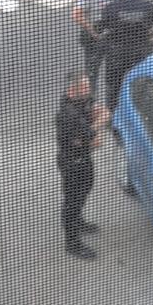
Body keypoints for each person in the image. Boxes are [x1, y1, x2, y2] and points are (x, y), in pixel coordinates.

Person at [56, 69, 109, 260]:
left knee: (84, 191)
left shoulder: (82, 100)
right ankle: (72, 242)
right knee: (72, 200)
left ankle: (77, 220)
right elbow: (94, 140)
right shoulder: (69, 114)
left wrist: (95, 121)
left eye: (88, 86)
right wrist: (99, 123)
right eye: (84, 87)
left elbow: (98, 111)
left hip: (84, 159)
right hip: (72, 164)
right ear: (73, 89)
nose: (89, 90)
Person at [98, 0, 153, 113]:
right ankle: (142, 112)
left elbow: (102, 28)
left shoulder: (111, 7)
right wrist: (151, 35)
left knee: (114, 85)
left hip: (117, 52)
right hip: (141, 50)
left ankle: (113, 115)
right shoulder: (146, 6)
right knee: (141, 82)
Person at [72, 0, 117, 96]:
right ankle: (91, 97)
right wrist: (92, 31)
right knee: (92, 68)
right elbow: (76, 14)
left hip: (108, 31)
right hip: (93, 33)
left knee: (112, 64)